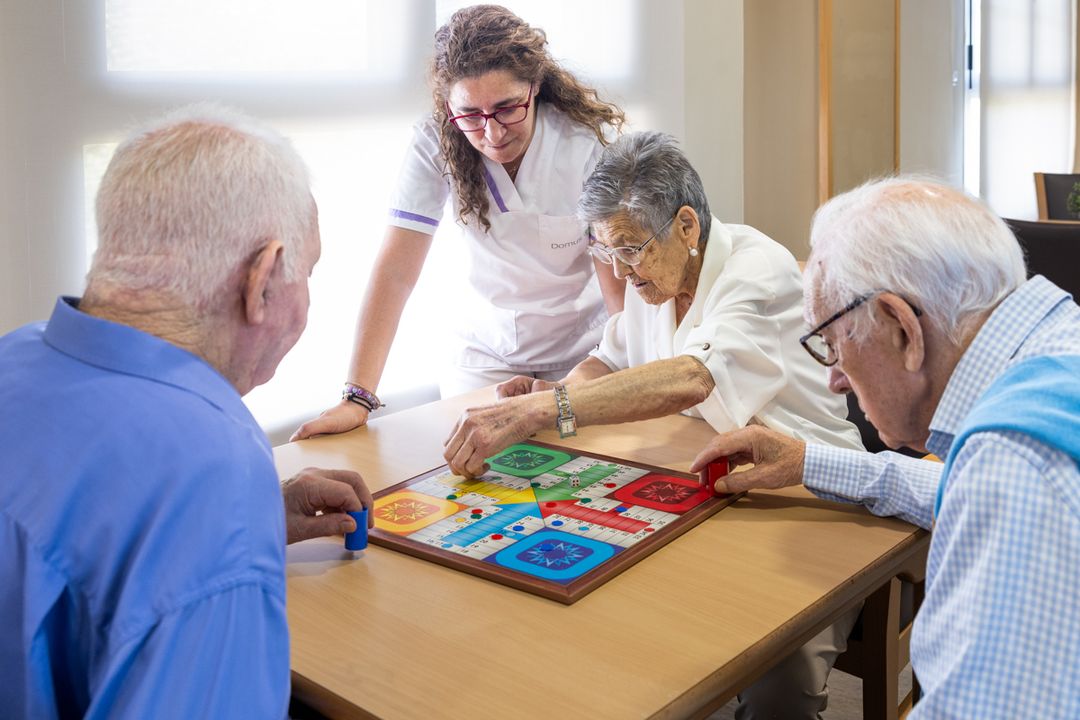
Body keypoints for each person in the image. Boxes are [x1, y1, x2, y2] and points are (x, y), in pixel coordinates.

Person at [445, 131, 865, 719]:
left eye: (630, 250)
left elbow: (693, 378)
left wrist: (546, 411)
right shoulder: (653, 275)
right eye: (606, 252)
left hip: (808, 490)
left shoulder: (756, 268)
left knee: (779, 683)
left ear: (686, 227)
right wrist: (553, 390)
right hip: (713, 483)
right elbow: (609, 360)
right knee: (619, 626)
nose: (621, 272)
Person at [0, 105, 374, 719]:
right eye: (307, 271)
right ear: (262, 281)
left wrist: (251, 522)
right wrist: (224, 525)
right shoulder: (211, 466)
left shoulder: (17, 353)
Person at [691, 177, 1080, 718]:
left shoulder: (1013, 464)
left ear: (902, 327)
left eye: (831, 343)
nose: (834, 380)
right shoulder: (1056, 349)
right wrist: (806, 460)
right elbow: (958, 487)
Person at [292, 4, 626, 441]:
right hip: (485, 355)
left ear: (536, 86)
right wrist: (357, 397)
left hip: (582, 350)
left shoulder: (586, 144)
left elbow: (619, 280)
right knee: (481, 472)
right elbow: (395, 273)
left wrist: (620, 370)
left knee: (584, 466)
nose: (491, 133)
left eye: (508, 108)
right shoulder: (435, 141)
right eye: (470, 115)